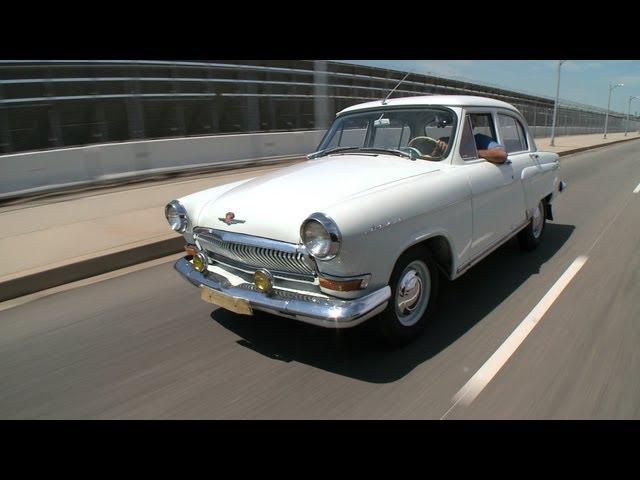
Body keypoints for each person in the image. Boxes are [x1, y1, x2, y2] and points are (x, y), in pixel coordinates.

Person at [429, 132, 508, 164]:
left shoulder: (479, 139)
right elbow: (432, 160)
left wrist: (470, 152)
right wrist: (437, 151)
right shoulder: (446, 140)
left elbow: (501, 154)